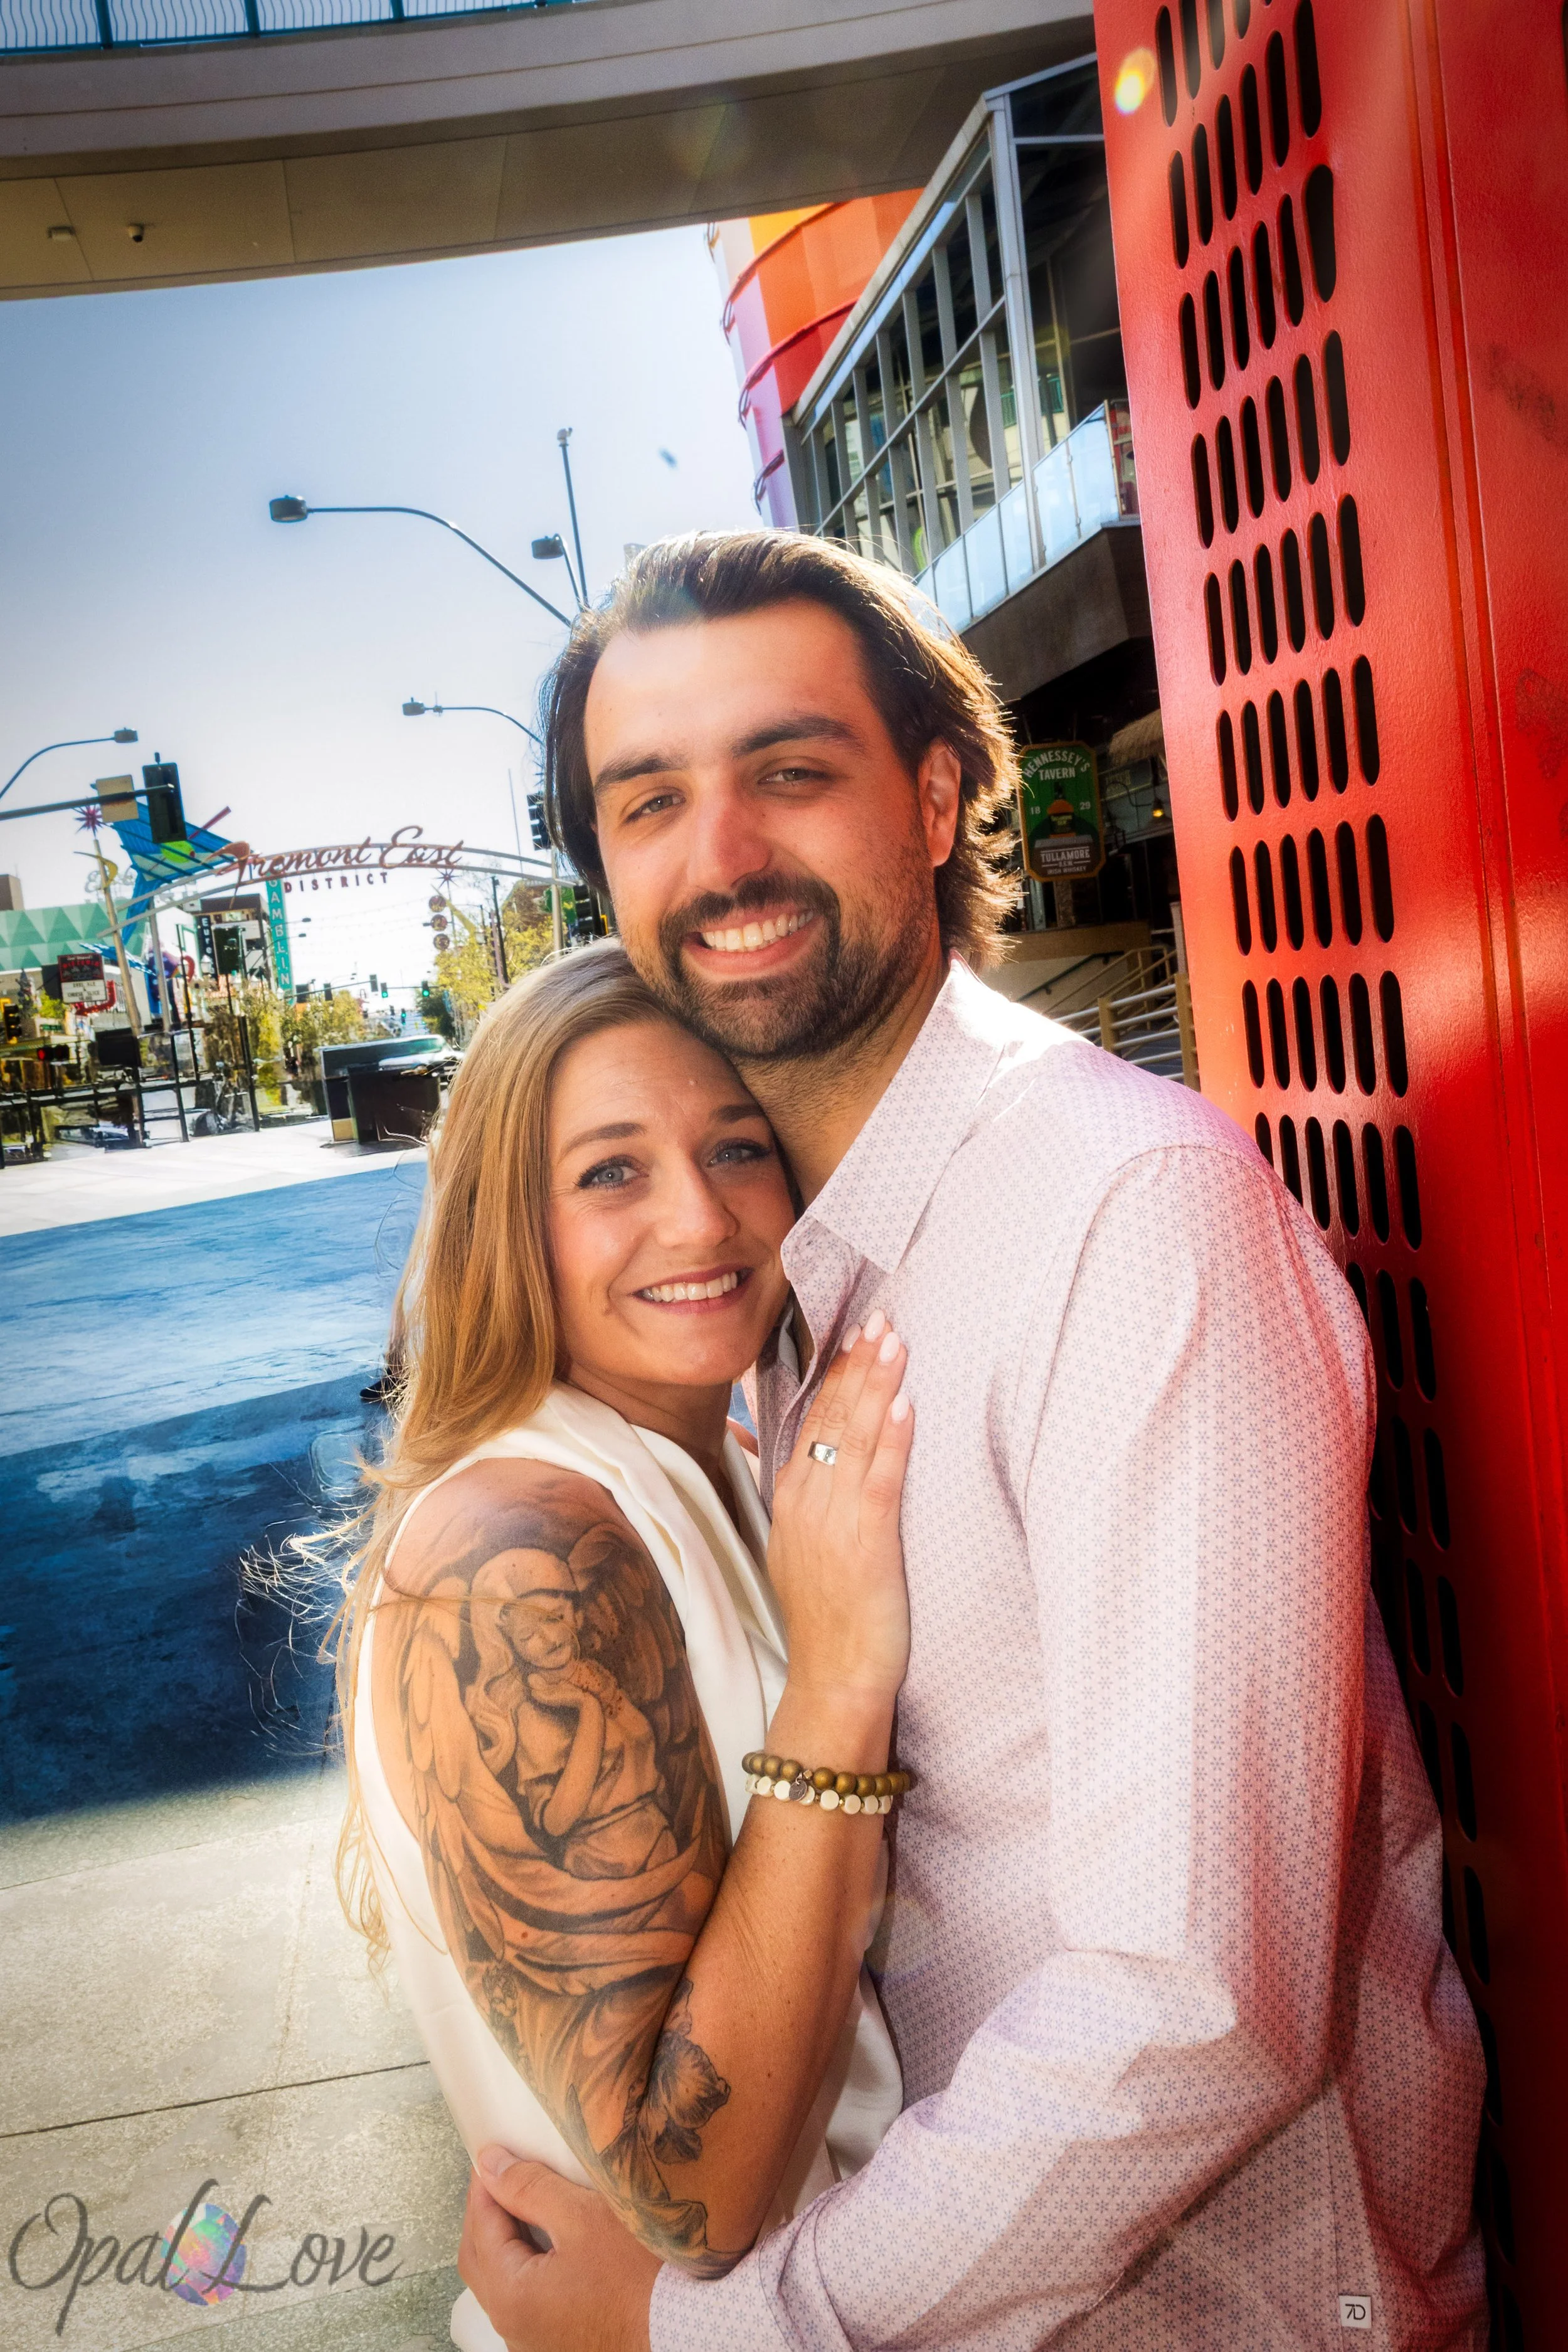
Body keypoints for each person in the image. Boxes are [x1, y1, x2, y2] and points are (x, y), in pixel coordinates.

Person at [458, 531, 1486, 2351]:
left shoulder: (1125, 1214)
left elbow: (1196, 1999)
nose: (722, 855)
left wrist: (719, 2330)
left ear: (934, 798)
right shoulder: (783, 1268)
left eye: (789, 770)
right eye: (649, 801)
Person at [335, 945, 918, 2352]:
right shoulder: (515, 1550)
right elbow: (690, 2187)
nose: (699, 1217)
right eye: (610, 1172)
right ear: (506, 1224)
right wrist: (840, 1685)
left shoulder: (712, 1453)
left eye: (737, 1146)